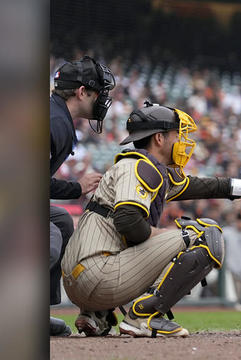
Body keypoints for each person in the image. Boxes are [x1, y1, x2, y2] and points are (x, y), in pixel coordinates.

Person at [61, 102, 241, 337]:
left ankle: (96, 314)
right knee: (205, 234)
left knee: (148, 236)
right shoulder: (140, 167)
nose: (181, 141)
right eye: (176, 135)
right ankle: (143, 317)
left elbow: (210, 187)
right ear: (159, 138)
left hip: (81, 279)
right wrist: (163, 235)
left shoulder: (140, 166)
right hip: (97, 276)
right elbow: (129, 222)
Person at [49, 55, 115, 336]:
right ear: (81, 92)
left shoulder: (56, 114)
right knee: (48, 239)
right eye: (97, 93)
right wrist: (76, 187)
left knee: (62, 221)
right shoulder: (54, 121)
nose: (100, 100)